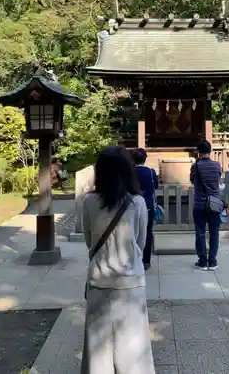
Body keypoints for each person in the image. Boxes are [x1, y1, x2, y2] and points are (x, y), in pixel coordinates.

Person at [81, 146, 155, 374]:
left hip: (99, 280)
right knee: (133, 348)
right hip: (130, 281)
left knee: (98, 350)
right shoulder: (137, 203)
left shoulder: (88, 202)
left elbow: (88, 240)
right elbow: (141, 244)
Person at [190, 139, 222, 271]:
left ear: (198, 152)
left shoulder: (196, 166)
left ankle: (202, 261)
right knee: (214, 233)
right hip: (215, 203)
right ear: (210, 151)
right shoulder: (217, 165)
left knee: (200, 232)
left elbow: (192, 180)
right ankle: (213, 261)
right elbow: (218, 179)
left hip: (200, 203)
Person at [132, 148, 158, 271]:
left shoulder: (130, 173)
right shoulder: (151, 172)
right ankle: (146, 260)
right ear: (145, 159)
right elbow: (156, 185)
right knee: (147, 232)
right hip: (148, 205)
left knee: (132, 232)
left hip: (131, 206)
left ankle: (133, 258)